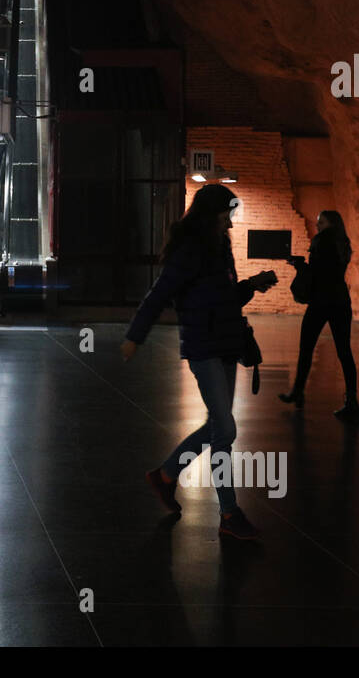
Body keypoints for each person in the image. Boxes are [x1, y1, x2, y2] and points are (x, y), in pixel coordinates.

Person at [119, 184, 278, 541]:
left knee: (219, 428)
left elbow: (227, 297)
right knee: (226, 429)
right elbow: (159, 294)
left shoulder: (221, 247)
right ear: (210, 215)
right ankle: (228, 512)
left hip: (226, 343)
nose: (230, 225)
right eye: (226, 217)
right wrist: (135, 336)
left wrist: (252, 284)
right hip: (204, 346)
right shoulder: (190, 250)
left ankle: (164, 476)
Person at [279, 210, 359, 419]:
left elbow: (317, 273)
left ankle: (298, 392)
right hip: (341, 300)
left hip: (321, 301)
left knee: (306, 347)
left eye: (320, 222)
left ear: (330, 223)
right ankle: (352, 401)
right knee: (344, 351)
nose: (317, 225)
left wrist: (299, 265)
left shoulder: (321, 240)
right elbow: (333, 271)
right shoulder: (343, 242)